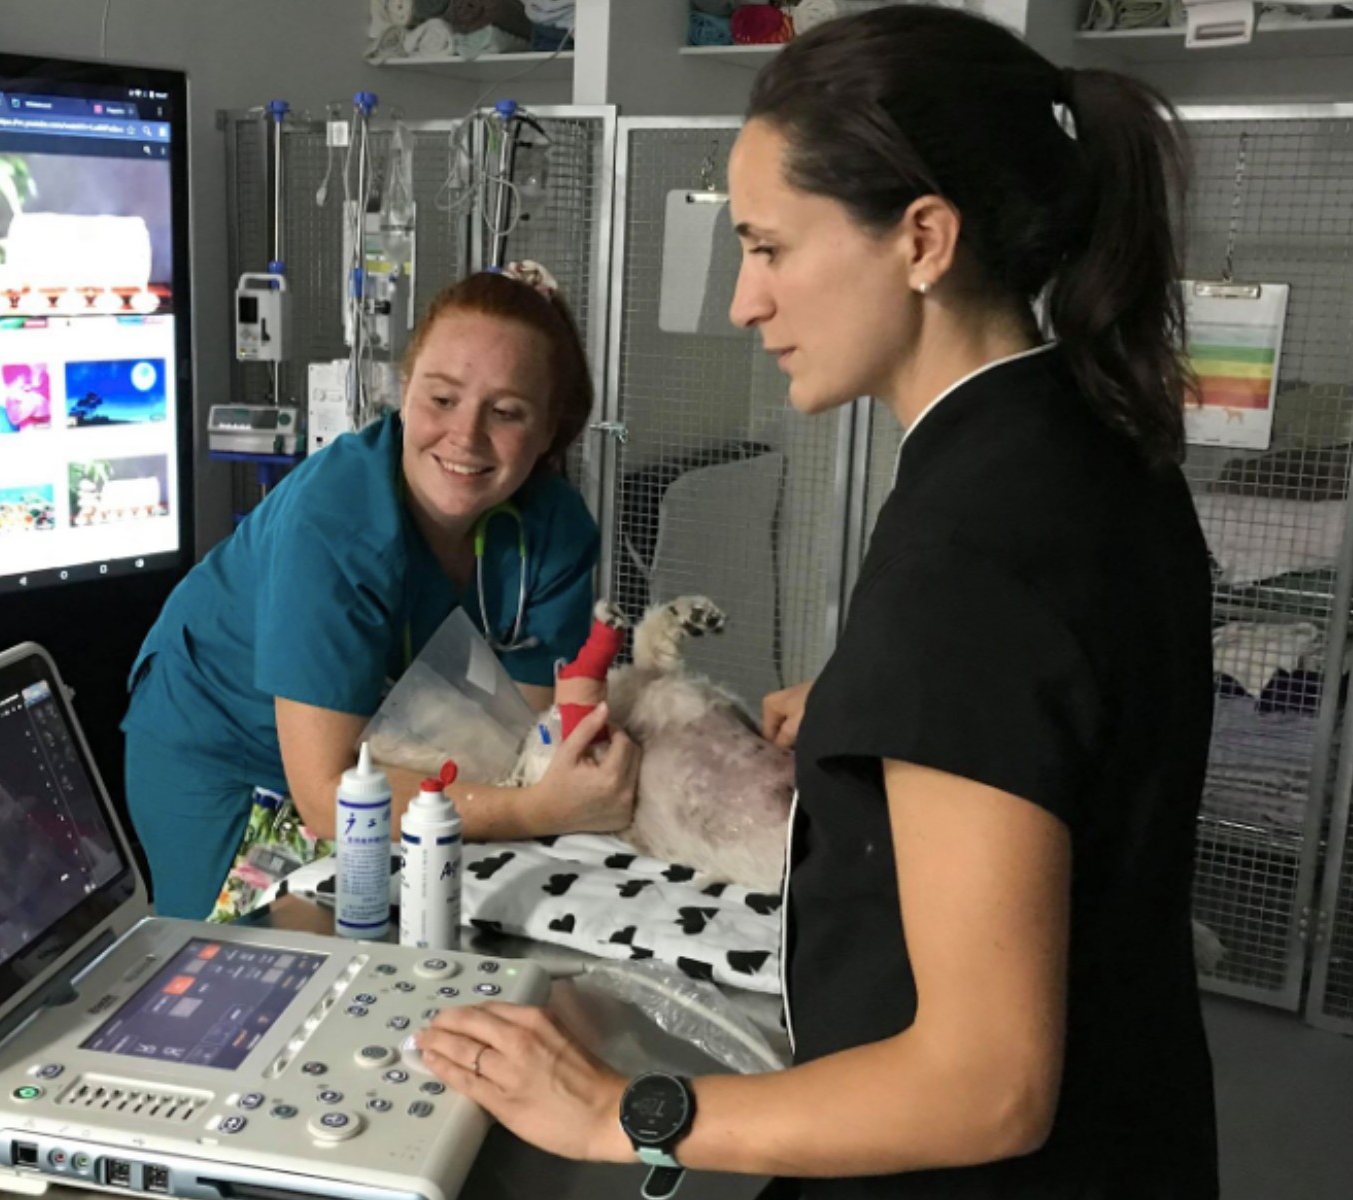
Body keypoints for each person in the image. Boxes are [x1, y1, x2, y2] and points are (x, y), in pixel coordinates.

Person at [414, 8, 1219, 1197]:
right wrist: (870, 717)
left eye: (770, 247)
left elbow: (982, 1083)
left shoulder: (972, 550)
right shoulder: (1087, 449)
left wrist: (619, 1112)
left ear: (922, 239)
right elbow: (1068, 731)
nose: (744, 301)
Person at [123, 268, 640, 921]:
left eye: (506, 412)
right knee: (242, 970)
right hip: (225, 749)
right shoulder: (335, 523)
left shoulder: (555, 533)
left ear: (550, 432)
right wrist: (539, 811)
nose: (466, 436)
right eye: (442, 399)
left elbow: (517, 738)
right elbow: (326, 796)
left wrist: (540, 795)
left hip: (386, 753)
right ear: (404, 389)